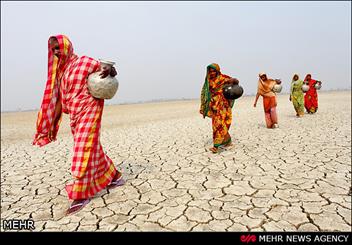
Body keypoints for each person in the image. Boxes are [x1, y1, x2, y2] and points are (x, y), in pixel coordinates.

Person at [33, 34, 125, 215]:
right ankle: (114, 176)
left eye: (58, 47)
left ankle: (81, 194)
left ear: (68, 46)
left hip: (90, 109)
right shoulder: (62, 72)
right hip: (75, 114)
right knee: (92, 147)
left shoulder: (85, 62)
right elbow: (59, 98)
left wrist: (111, 72)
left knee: (82, 149)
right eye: (53, 50)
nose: (56, 52)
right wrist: (52, 121)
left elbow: (107, 69)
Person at [200, 63, 239, 153]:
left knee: (220, 124)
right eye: (210, 71)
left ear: (217, 71)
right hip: (214, 104)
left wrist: (234, 81)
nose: (212, 73)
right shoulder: (208, 81)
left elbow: (234, 83)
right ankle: (227, 141)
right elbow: (204, 93)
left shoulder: (224, 78)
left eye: (214, 71)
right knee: (217, 124)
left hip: (223, 104)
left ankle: (216, 146)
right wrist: (204, 105)